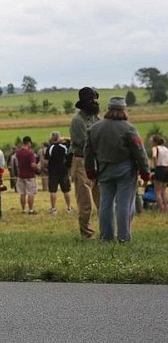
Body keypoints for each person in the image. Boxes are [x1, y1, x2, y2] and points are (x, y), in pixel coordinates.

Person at [84, 97, 150, 242]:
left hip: (104, 170)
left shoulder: (94, 129)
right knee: (124, 204)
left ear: (108, 109)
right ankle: (123, 237)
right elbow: (139, 151)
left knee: (105, 204)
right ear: (123, 110)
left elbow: (87, 152)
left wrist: (90, 170)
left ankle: (106, 237)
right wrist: (145, 171)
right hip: (125, 171)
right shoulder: (129, 128)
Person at [70, 87, 101, 239]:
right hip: (81, 161)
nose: (95, 101)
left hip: (98, 161)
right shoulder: (77, 121)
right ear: (85, 102)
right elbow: (85, 144)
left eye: (96, 98)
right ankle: (87, 234)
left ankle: (106, 231)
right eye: (92, 99)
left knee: (102, 199)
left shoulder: (97, 119)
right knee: (85, 201)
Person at [44, 131, 73, 214]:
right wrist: (64, 138)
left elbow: (46, 161)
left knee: (53, 191)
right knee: (66, 190)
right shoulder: (64, 147)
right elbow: (71, 142)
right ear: (58, 137)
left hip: (53, 172)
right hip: (63, 171)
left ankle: (53, 208)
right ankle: (69, 207)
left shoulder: (50, 148)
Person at [15, 136, 39, 215]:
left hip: (21, 174)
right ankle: (31, 210)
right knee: (30, 193)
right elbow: (32, 165)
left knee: (22, 193)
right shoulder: (30, 152)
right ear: (29, 142)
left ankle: (23, 209)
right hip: (29, 175)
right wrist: (37, 167)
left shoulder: (18, 152)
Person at [148, 135, 168, 213]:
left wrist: (155, 166)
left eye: (151, 140)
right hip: (166, 168)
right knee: (163, 191)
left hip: (160, 169)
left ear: (155, 142)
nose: (150, 142)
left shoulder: (155, 148)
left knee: (157, 191)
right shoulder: (166, 149)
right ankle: (166, 210)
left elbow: (154, 156)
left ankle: (161, 210)